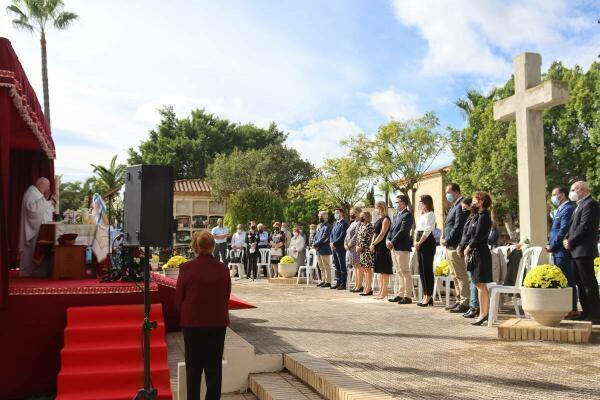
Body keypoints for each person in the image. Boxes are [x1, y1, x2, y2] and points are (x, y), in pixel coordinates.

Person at [175, 231, 231, 400]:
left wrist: (184, 316)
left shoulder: (186, 268)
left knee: (193, 368)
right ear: (213, 246)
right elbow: (226, 295)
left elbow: (178, 298)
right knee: (214, 368)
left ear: (195, 247)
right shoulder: (223, 269)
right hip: (216, 323)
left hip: (192, 324)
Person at [564, 181, 600, 324]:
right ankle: (586, 312)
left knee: (588, 283)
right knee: (579, 283)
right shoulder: (579, 205)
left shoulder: (590, 204)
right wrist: (567, 239)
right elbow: (572, 226)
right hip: (575, 251)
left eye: (573, 189)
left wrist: (571, 240)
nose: (571, 192)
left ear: (582, 189)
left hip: (583, 250)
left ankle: (596, 314)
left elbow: (585, 226)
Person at [464, 192, 494, 326]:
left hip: (481, 253)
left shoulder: (485, 216)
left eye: (475, 200)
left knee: (481, 284)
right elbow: (470, 232)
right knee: (477, 283)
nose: (473, 202)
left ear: (481, 201)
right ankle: (483, 312)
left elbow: (479, 236)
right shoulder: (477, 216)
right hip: (475, 253)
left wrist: (468, 247)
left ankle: (483, 313)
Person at [546, 186, 577, 314]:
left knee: (568, 279)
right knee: (563, 278)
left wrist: (552, 246)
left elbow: (562, 230)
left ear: (562, 194)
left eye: (555, 194)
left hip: (562, 251)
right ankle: (567, 307)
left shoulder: (568, 208)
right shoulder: (560, 209)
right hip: (557, 250)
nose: (553, 197)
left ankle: (572, 308)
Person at [442, 183, 470, 314]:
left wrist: (447, 239)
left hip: (455, 245)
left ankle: (465, 302)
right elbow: (449, 225)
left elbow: (458, 226)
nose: (447, 195)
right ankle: (459, 300)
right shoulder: (454, 205)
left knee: (460, 275)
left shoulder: (461, 205)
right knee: (454, 275)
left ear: (456, 192)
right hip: (449, 245)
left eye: (448, 192)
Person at [19, 177, 55, 277]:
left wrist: (49, 202)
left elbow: (48, 208)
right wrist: (45, 199)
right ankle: (27, 272)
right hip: (34, 229)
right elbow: (32, 210)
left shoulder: (38, 193)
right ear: (41, 184)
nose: (48, 188)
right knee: (31, 251)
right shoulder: (31, 192)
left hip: (42, 228)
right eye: (47, 186)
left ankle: (38, 271)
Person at [387, 195, 414, 304]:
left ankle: (407, 296)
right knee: (399, 272)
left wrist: (392, 241)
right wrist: (388, 239)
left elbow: (403, 231)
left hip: (401, 247)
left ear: (403, 203)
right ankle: (400, 294)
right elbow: (391, 229)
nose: (396, 204)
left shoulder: (407, 215)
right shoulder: (397, 215)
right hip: (393, 247)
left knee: (405, 271)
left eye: (397, 202)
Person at [457, 198, 479, 318]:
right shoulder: (470, 218)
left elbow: (470, 236)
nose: (463, 210)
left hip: (472, 251)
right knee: (472, 280)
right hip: (467, 251)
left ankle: (474, 306)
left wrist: (465, 247)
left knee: (473, 280)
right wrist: (461, 247)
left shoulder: (476, 217)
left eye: (465, 207)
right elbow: (465, 235)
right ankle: (473, 305)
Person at [415, 195, 436, 307]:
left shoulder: (430, 214)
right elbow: (416, 229)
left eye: (421, 202)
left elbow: (427, 230)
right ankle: (425, 294)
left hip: (426, 242)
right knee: (421, 269)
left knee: (427, 269)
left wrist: (419, 242)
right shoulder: (421, 215)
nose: (419, 205)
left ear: (426, 203)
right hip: (419, 240)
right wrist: (415, 241)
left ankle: (429, 295)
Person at [371, 201, 393, 300]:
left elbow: (382, 234)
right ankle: (380, 291)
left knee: (384, 271)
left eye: (376, 207)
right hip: (377, 246)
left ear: (381, 208)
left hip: (383, 247)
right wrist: (372, 244)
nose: (375, 209)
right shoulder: (379, 219)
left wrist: (374, 243)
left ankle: (384, 292)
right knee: (379, 271)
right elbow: (375, 233)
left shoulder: (386, 219)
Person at [356, 210, 375, 296]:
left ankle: (368, 288)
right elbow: (358, 237)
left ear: (367, 217)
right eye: (360, 216)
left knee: (368, 269)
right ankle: (367, 287)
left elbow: (368, 238)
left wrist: (361, 247)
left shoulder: (370, 226)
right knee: (364, 269)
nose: (361, 217)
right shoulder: (361, 226)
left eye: (362, 216)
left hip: (367, 250)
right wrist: (357, 246)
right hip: (361, 251)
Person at [313, 211, 333, 287]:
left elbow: (325, 238)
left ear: (326, 217)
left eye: (321, 216)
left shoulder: (328, 226)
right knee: (321, 266)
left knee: (326, 266)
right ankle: (323, 280)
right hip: (318, 249)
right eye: (319, 216)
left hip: (325, 249)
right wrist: (314, 244)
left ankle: (328, 281)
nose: (320, 217)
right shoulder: (320, 226)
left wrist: (316, 244)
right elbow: (316, 236)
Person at [345, 207, 363, 292]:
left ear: (357, 213)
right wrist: (345, 243)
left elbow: (356, 235)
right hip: (349, 248)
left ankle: (359, 286)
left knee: (358, 267)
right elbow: (347, 234)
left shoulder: (359, 223)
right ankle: (356, 285)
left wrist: (350, 244)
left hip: (355, 247)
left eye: (352, 212)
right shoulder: (352, 223)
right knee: (355, 267)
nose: (351, 214)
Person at [330, 208, 349, 290]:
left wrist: (334, 243)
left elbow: (342, 236)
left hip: (340, 247)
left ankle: (343, 283)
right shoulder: (335, 223)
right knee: (337, 266)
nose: (336, 214)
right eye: (335, 213)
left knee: (342, 266)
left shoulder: (344, 223)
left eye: (337, 212)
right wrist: (331, 243)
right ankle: (338, 282)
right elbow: (331, 234)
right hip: (334, 248)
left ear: (341, 213)